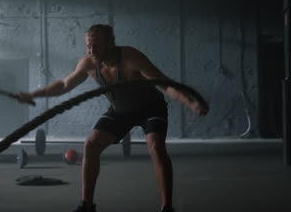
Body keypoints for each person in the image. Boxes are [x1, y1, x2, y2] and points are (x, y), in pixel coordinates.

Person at [17, 24, 208, 212]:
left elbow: (165, 85)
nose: (91, 50)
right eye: (88, 46)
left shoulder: (131, 57)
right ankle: (87, 205)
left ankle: (167, 207)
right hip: (121, 111)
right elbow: (64, 84)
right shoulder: (89, 63)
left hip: (151, 108)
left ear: (111, 43)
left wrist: (190, 103)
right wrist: (33, 95)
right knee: (90, 145)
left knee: (156, 148)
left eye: (96, 46)